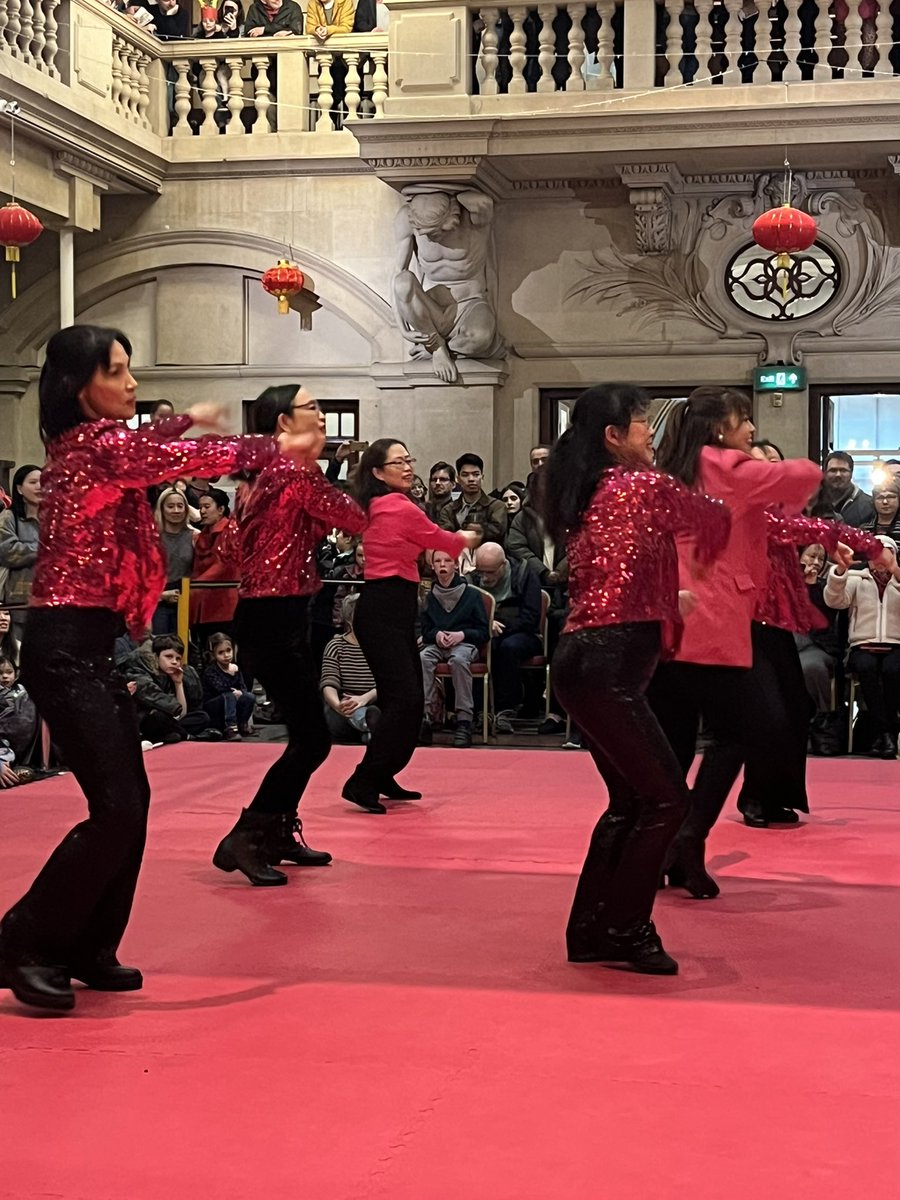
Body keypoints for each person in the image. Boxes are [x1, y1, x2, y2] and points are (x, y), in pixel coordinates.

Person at [0, 324, 313, 1014]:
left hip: (91, 645)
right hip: (62, 647)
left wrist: (184, 419)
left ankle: (86, 946)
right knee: (116, 808)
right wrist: (272, 445)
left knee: (129, 807)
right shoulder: (93, 446)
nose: (132, 382)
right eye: (118, 371)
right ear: (81, 386)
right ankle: (25, 940)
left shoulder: (91, 444)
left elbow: (147, 444)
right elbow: (155, 454)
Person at [539, 384, 730, 975]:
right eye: (643, 423)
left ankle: (594, 929)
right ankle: (622, 928)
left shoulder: (595, 491)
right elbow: (719, 520)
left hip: (585, 662)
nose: (651, 433)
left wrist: (663, 598)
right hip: (607, 665)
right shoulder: (634, 484)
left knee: (631, 800)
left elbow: (611, 574)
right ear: (613, 437)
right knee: (667, 798)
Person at [648, 387, 823, 900]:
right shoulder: (722, 464)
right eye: (744, 421)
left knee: (676, 747)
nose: (751, 431)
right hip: (713, 619)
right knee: (752, 728)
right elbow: (804, 476)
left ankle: (666, 852)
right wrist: (762, 469)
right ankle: (687, 838)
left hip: (672, 620)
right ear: (719, 427)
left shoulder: (674, 469)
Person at [212, 383, 366, 886]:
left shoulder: (260, 477)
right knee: (312, 738)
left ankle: (274, 832)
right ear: (283, 421)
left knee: (308, 737)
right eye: (313, 407)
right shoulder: (293, 469)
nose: (321, 415)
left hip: (274, 613)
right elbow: (350, 518)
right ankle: (248, 835)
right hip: (273, 617)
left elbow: (249, 545)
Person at [341, 439, 478, 813]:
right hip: (386, 607)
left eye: (408, 459)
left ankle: (382, 773)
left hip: (391, 608)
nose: (407, 466)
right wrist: (468, 537)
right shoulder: (397, 505)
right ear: (378, 471)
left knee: (400, 700)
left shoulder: (376, 504)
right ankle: (364, 778)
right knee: (407, 701)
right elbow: (442, 541)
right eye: (398, 461)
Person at [825, 534, 900, 759]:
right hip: (862, 645)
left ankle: (884, 733)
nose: (879, 561)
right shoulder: (858, 580)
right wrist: (839, 572)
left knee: (893, 670)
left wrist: (895, 569)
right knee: (866, 668)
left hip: (895, 645)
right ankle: (886, 731)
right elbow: (835, 600)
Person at [468, 542, 542, 733]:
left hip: (522, 633)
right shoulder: (472, 579)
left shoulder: (525, 574)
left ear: (503, 565)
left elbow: (531, 618)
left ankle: (505, 710)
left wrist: (501, 626)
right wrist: (486, 624)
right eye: (480, 571)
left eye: (490, 572)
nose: (484, 577)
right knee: (475, 647)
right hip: (485, 631)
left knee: (507, 648)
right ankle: (479, 711)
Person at [420, 548, 490, 748]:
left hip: (465, 644)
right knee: (423, 658)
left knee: (458, 660)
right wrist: (437, 635)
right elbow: (425, 632)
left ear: (456, 565)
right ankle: (426, 716)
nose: (443, 565)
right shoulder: (428, 596)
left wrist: (462, 634)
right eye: (438, 561)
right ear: (432, 566)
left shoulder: (472, 595)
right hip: (437, 644)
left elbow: (483, 632)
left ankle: (464, 721)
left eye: (447, 561)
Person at [124, 634, 213, 744]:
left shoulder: (170, 675)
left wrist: (178, 683)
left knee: (202, 717)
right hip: (146, 721)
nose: (174, 662)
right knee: (159, 717)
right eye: (169, 657)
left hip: (170, 721)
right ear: (156, 657)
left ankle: (172, 735)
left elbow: (181, 714)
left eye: (178, 658)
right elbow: (155, 699)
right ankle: (187, 736)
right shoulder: (140, 670)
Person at [320, 593, 379, 743]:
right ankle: (367, 727)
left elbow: (387, 683)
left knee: (381, 712)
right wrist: (338, 705)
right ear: (350, 620)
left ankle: (368, 728)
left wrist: (363, 699)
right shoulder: (336, 645)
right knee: (335, 717)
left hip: (375, 700)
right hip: (345, 704)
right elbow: (328, 683)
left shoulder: (381, 646)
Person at [190, 487, 241, 649]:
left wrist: (193, 583)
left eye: (207, 507)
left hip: (222, 604)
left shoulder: (231, 531)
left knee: (223, 650)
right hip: (200, 603)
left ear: (221, 509)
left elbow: (224, 566)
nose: (202, 511)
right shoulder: (201, 535)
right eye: (200, 507)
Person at [0, 464, 42, 640]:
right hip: (17, 602)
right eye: (33, 482)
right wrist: (43, 550)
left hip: (46, 603)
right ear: (19, 488)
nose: (40, 486)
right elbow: (7, 551)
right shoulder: (8, 517)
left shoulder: (53, 520)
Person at [438, 452, 508, 544]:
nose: (471, 479)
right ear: (458, 479)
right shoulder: (448, 510)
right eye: (465, 475)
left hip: (488, 553)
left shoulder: (496, 506)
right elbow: (445, 534)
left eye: (476, 474)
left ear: (482, 477)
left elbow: (496, 533)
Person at [153, 486, 196, 634]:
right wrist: (162, 595)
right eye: (170, 506)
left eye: (180, 506)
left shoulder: (195, 536)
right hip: (158, 599)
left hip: (186, 597)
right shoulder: (151, 538)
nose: (176, 511)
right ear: (162, 509)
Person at [202, 632, 256, 739]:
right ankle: (230, 728)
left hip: (231, 702)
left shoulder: (235, 668)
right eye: (221, 652)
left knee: (249, 696)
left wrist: (241, 692)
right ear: (214, 655)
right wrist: (232, 681)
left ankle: (242, 723)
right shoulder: (210, 671)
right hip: (215, 706)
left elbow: (243, 687)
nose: (226, 655)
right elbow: (220, 688)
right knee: (229, 696)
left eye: (228, 650)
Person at [810, 451, 875, 527]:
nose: (838, 475)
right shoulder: (813, 502)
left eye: (843, 470)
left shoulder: (868, 505)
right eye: (833, 470)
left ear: (851, 473)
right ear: (824, 473)